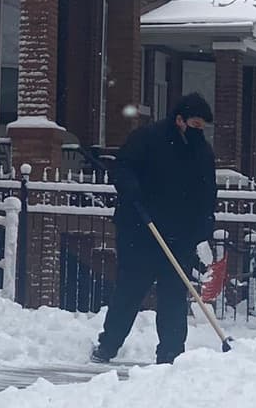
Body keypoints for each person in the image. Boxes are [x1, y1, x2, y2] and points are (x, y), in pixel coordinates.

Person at [91, 93, 218, 365]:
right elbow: (122, 167)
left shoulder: (202, 152)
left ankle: (171, 353)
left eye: (202, 128)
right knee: (130, 290)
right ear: (179, 120)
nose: (199, 132)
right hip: (142, 229)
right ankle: (108, 344)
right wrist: (131, 189)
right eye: (195, 125)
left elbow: (207, 192)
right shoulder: (148, 139)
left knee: (174, 295)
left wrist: (204, 223)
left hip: (179, 235)